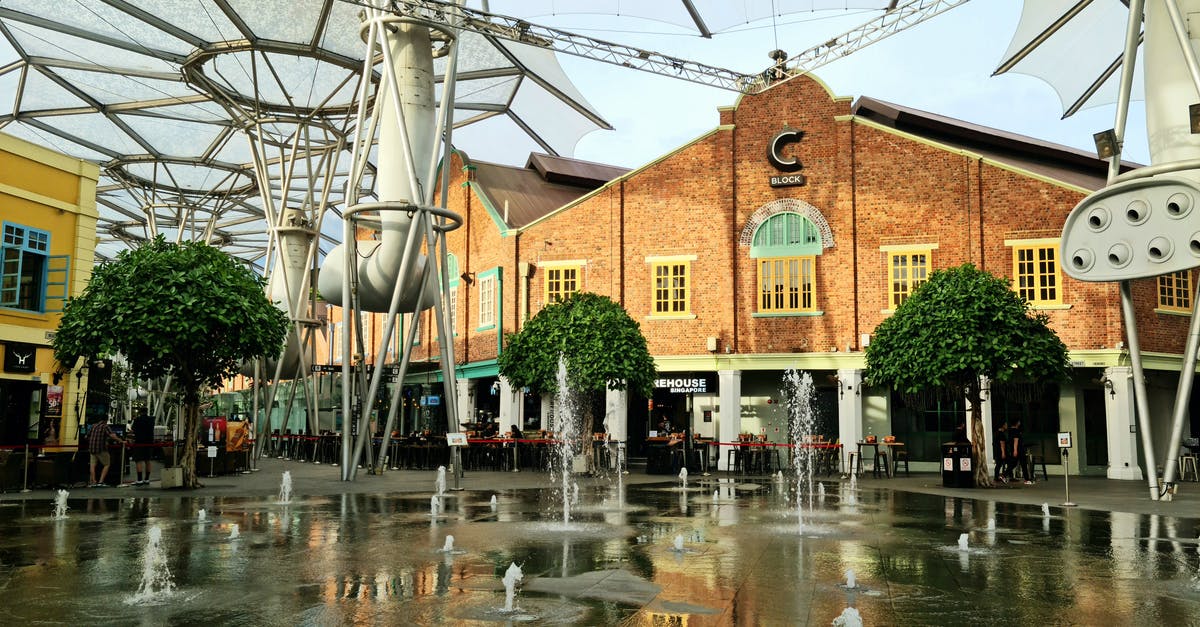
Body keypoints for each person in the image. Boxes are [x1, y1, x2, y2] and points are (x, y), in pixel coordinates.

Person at [87, 415, 128, 487]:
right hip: (101, 449)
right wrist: (121, 441)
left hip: (92, 449)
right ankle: (100, 482)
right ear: (106, 420)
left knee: (92, 465)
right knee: (107, 464)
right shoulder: (105, 426)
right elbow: (112, 436)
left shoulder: (93, 426)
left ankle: (93, 481)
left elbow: (87, 436)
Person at [131, 410, 155, 486]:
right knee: (148, 460)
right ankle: (147, 479)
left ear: (140, 413)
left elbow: (133, 430)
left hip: (139, 442)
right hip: (149, 442)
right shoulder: (151, 420)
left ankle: (139, 479)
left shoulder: (137, 420)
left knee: (138, 460)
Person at [1009, 418, 1032, 484]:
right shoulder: (1016, 431)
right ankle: (1027, 479)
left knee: (1014, 463)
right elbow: (1016, 441)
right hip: (1019, 450)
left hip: (1015, 450)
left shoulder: (1011, 430)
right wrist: (1015, 450)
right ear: (1017, 423)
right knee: (1023, 464)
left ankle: (1004, 475)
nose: (1020, 422)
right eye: (1019, 421)